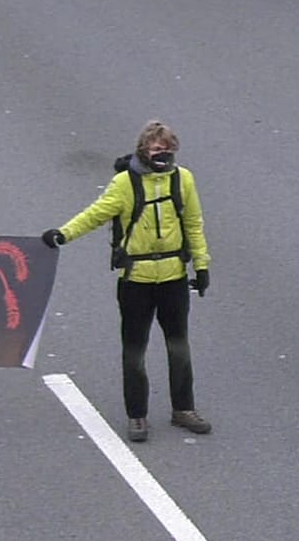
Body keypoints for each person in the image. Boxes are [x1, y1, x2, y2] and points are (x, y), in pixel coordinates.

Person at [43, 120, 212, 443]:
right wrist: (62, 234)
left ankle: (184, 409)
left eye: (167, 148)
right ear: (143, 150)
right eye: (156, 148)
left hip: (173, 277)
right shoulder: (124, 184)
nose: (162, 154)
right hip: (136, 280)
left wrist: (201, 267)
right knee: (134, 350)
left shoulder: (183, 180)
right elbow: (95, 214)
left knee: (179, 347)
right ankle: (137, 415)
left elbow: (193, 223)